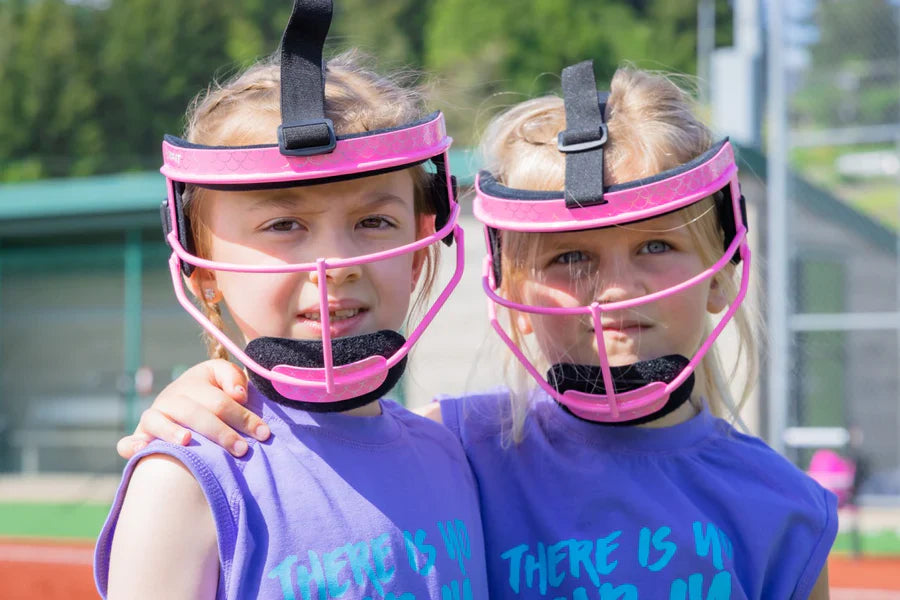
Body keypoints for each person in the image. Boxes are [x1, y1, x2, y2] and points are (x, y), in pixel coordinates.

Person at [115, 61, 836, 598]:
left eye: (655, 245)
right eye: (573, 256)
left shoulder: (785, 509)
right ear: (513, 289)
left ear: (721, 270)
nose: (615, 290)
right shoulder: (469, 447)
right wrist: (197, 393)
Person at [93, 1, 488, 598]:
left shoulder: (450, 454)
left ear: (417, 249)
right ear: (203, 271)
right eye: (283, 225)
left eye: (375, 221)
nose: (333, 265)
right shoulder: (187, 483)